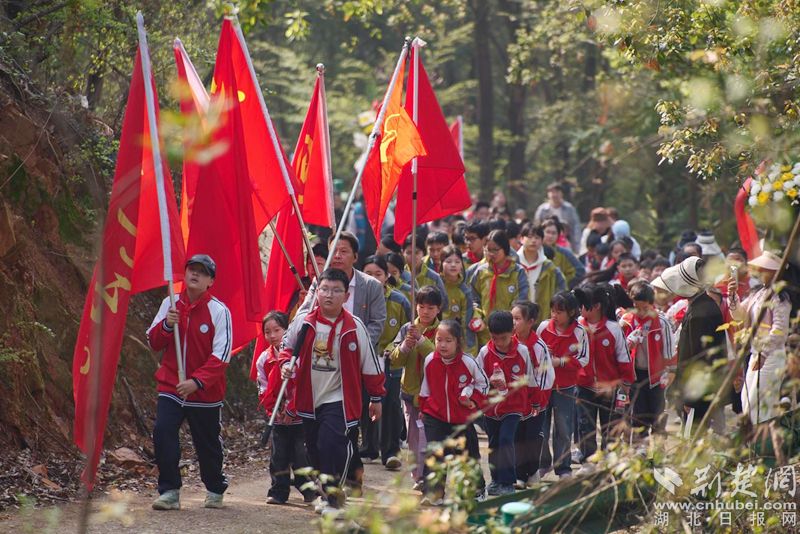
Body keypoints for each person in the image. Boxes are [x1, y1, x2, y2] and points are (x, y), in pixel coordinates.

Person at [281, 268, 385, 515]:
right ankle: (325, 492)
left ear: (346, 295)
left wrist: (376, 397)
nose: (329, 295)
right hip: (309, 398)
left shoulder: (354, 326)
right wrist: (285, 364)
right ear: (317, 292)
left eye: (336, 290)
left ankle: (334, 499)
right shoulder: (304, 322)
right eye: (324, 289)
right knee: (314, 448)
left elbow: (370, 364)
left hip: (339, 398)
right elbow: (287, 348)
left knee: (331, 443)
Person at [147, 254, 232, 511]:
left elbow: (221, 355)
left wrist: (197, 381)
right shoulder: (170, 303)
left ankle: (215, 487)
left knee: (206, 443)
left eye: (202, 272)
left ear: (210, 281)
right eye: (192, 269)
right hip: (171, 385)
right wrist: (166, 325)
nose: (195, 274)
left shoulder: (219, 311)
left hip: (205, 392)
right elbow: (153, 341)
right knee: (163, 431)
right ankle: (169, 491)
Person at [419, 320, 489, 503]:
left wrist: (473, 401)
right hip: (435, 416)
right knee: (435, 453)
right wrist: (423, 408)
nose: (442, 345)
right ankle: (433, 494)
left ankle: (476, 490)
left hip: (462, 419)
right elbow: (425, 389)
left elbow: (484, 384)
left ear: (458, 342)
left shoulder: (468, 362)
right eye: (439, 340)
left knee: (467, 456)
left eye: (448, 340)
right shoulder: (430, 360)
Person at [661, 257, 727, 435]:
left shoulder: (701, 312)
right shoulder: (701, 305)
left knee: (693, 434)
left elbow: (697, 356)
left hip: (698, 387)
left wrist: (690, 396)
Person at [256, 311, 315, 505]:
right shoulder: (264, 359)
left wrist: (292, 409)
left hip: (299, 416)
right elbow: (263, 387)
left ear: (287, 330)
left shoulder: (297, 357)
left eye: (277, 330)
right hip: (278, 417)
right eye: (267, 332)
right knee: (278, 455)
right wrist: (273, 409)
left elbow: (303, 386)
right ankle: (278, 491)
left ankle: (308, 489)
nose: (272, 335)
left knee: (301, 455)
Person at [476, 311, 536, 495]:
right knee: (494, 443)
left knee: (506, 440)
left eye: (503, 338)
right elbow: (477, 380)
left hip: (514, 407)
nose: (499, 343)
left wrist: (534, 402)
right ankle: (496, 480)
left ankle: (508, 482)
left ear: (512, 332)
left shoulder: (522, 351)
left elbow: (530, 378)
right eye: (495, 338)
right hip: (491, 408)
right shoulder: (485, 353)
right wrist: (489, 383)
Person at [728, 251, 791, 424]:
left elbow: (779, 330)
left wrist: (764, 353)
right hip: (756, 353)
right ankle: (755, 437)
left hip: (770, 355)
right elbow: (739, 315)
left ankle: (763, 437)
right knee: (748, 400)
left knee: (760, 402)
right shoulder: (758, 293)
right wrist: (732, 295)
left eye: (765, 269)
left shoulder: (780, 298)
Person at [361, 255, 411, 469]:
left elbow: (408, 329)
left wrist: (394, 347)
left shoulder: (400, 300)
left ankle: (391, 451)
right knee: (365, 402)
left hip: (392, 360)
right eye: (368, 274)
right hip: (365, 358)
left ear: (387, 275)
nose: (373, 278)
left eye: (378, 274)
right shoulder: (357, 298)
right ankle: (369, 447)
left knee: (390, 404)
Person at [576, 284, 633, 470]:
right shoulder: (578, 326)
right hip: (584, 386)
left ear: (596, 306)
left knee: (610, 425)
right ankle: (588, 461)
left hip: (610, 388)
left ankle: (610, 460)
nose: (579, 308)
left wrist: (626, 384)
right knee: (585, 425)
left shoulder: (614, 329)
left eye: (583, 304)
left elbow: (624, 358)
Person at [389, 285, 441, 489]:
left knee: (430, 438)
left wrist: (421, 341)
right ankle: (418, 476)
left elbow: (439, 359)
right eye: (421, 306)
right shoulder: (407, 329)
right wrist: (405, 346)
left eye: (430, 308)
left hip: (434, 393)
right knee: (413, 439)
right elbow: (394, 361)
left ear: (438, 309)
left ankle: (430, 476)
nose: (425, 311)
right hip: (410, 392)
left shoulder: (443, 330)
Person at [537, 291, 590, 478]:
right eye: (553, 311)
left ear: (572, 312)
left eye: (559, 312)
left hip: (565, 386)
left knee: (563, 429)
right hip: (543, 386)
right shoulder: (544, 327)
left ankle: (563, 468)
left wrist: (560, 362)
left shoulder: (579, 331)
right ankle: (542, 464)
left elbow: (583, 359)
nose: (555, 315)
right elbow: (535, 350)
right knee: (540, 428)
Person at [619, 282, 675, 444]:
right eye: (637, 308)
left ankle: (657, 451)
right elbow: (619, 350)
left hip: (657, 376)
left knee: (657, 416)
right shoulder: (627, 321)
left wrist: (670, 373)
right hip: (635, 375)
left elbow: (670, 352)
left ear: (652, 304)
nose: (641, 312)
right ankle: (640, 452)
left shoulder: (662, 322)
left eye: (645, 308)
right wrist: (629, 344)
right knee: (638, 416)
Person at [511, 301, 555, 486]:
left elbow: (545, 377)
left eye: (517, 319)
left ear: (530, 322)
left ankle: (533, 471)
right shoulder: (509, 341)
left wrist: (538, 401)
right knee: (517, 436)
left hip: (536, 402)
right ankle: (520, 475)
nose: (513, 322)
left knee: (533, 437)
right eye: (512, 318)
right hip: (515, 401)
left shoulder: (538, 346)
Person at [469, 229, 529, 317]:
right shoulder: (481, 271)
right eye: (489, 250)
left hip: (510, 323)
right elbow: (474, 299)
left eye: (495, 250)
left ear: (505, 248)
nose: (492, 254)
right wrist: (478, 317)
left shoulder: (518, 271)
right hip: (484, 324)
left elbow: (521, 301)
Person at [517, 222, 566, 321]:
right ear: (521, 239)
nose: (533, 241)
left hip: (543, 318)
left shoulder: (549, 267)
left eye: (537, 237)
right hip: (517, 319)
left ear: (542, 240)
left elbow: (562, 288)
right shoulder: (513, 264)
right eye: (529, 237)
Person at [440, 245, 478, 353]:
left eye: (457, 262)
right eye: (448, 261)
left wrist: (469, 350)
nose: (453, 265)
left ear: (462, 264)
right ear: (441, 263)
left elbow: (466, 323)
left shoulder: (465, 291)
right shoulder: (436, 285)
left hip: (456, 341)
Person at [402, 233, 448, 308]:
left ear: (423, 253)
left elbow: (443, 303)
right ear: (403, 253)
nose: (413, 256)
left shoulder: (434, 277)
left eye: (417, 252)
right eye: (409, 253)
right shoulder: (399, 276)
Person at [534, 183, 582, 253]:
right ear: (548, 194)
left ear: (562, 193)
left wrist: (576, 247)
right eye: (552, 192)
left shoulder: (569, 208)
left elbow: (575, 228)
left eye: (557, 192)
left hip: (565, 243)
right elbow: (537, 226)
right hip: (546, 243)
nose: (554, 195)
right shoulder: (542, 209)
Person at [542, 217, 586, 287]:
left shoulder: (564, 252)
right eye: (547, 232)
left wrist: (563, 284)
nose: (550, 236)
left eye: (554, 233)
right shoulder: (533, 250)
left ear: (558, 235)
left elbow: (580, 271)